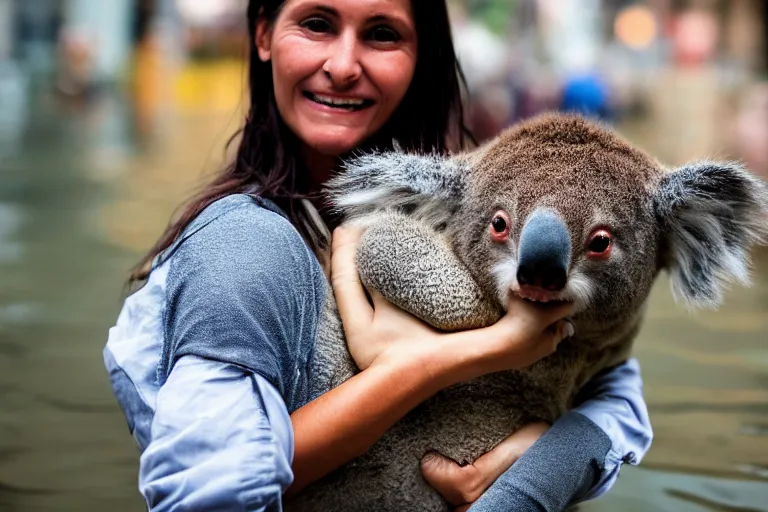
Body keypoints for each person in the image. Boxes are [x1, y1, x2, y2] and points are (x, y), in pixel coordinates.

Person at [103, 0, 652, 510]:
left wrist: (540, 463)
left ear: (424, 57)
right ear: (264, 33)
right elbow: (216, 489)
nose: (343, 66)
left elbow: (615, 391)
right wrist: (455, 358)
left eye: (382, 34)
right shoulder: (243, 246)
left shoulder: (469, 207)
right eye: (316, 23)